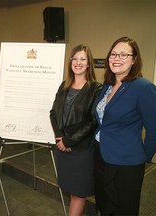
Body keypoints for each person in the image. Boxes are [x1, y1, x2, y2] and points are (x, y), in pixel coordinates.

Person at [94, 36, 156, 215]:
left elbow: (154, 128)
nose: (116, 58)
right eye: (113, 54)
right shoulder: (108, 84)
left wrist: (144, 157)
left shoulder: (143, 88)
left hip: (126, 163)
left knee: (123, 208)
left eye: (123, 54)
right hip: (100, 155)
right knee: (104, 205)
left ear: (134, 59)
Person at [50, 44, 102, 216]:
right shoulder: (64, 85)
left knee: (78, 194)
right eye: (75, 58)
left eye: (83, 59)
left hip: (81, 150)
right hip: (62, 147)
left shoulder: (96, 88)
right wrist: (60, 138)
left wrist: (69, 140)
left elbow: (93, 121)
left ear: (89, 64)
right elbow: (53, 113)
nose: (78, 62)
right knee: (71, 192)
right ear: (70, 61)